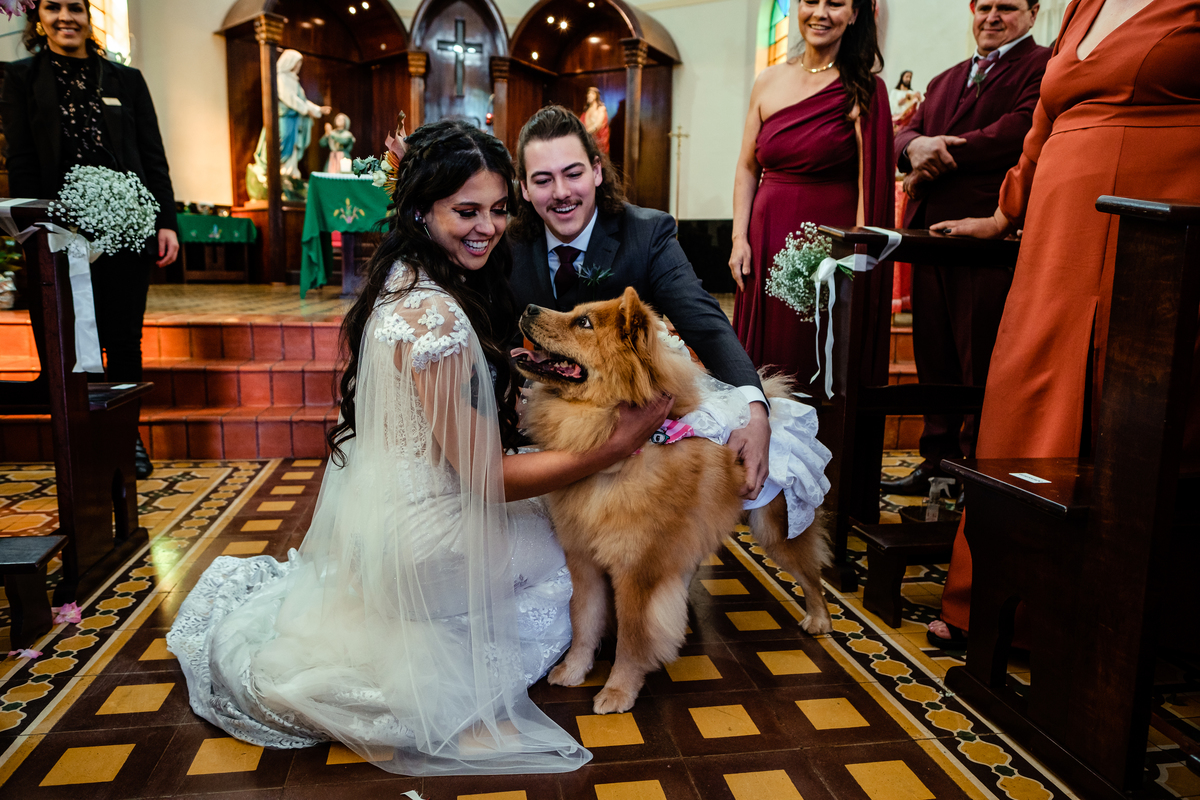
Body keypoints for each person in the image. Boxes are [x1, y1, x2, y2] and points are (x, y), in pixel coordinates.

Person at [167, 120, 673, 774]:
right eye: (466, 211)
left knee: (557, 511)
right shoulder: (434, 318)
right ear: (421, 210)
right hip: (427, 541)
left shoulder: (407, 274)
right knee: (565, 547)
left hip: (389, 514)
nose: (487, 228)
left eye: (497, 210)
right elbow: (485, 477)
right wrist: (611, 448)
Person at [926, 0, 1200, 647]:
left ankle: (1114, 620)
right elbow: (1043, 123)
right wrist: (1004, 213)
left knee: (1134, 406)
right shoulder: (1085, 5)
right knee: (1028, 387)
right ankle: (993, 598)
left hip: (1163, 208)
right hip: (1060, 227)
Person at [508, 105, 774, 501]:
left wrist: (755, 411)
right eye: (543, 180)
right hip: (542, 427)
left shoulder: (646, 234)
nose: (561, 192)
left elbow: (705, 324)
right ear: (525, 189)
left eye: (574, 173)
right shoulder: (506, 245)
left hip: (636, 441)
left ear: (597, 171)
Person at [1, 0, 179, 479]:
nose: (66, 17)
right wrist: (32, 228)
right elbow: (20, 159)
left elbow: (152, 155)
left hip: (125, 229)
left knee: (123, 339)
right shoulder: (19, 79)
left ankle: (125, 439)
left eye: (75, 7)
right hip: (57, 232)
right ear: (38, 16)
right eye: (54, 7)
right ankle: (84, 438)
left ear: (88, 16)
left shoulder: (126, 79)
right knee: (74, 341)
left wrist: (166, 221)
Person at [883, 0, 1050, 496]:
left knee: (981, 359)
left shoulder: (1042, 66)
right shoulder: (945, 78)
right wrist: (913, 147)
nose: (993, 17)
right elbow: (904, 131)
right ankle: (937, 461)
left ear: (1033, 12)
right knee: (935, 356)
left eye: (1008, 7)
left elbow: (1017, 132)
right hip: (930, 237)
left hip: (987, 238)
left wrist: (938, 152)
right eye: (985, 7)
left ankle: (977, 470)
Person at [729, 0, 895, 396]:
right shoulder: (767, 81)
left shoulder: (865, 87)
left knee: (815, 356)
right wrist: (739, 238)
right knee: (763, 364)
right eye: (810, 1)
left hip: (825, 248)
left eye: (835, 4)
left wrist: (856, 261)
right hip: (765, 240)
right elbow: (748, 168)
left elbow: (868, 185)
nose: (820, 12)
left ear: (855, 14)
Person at [247, 49, 330, 201]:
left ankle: (288, 174)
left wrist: (317, 109)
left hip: (294, 120)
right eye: (297, 63)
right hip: (283, 118)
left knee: (293, 146)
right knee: (282, 143)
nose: (298, 66)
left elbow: (302, 100)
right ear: (290, 62)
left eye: (300, 63)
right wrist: (307, 110)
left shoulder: (294, 80)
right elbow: (289, 98)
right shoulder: (280, 77)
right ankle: (276, 174)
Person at [579, 86, 610, 154]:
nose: (589, 95)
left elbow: (598, 125)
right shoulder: (586, 111)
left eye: (592, 94)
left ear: (596, 96)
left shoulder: (601, 109)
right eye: (588, 94)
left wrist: (586, 133)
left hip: (598, 141)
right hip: (587, 141)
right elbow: (580, 124)